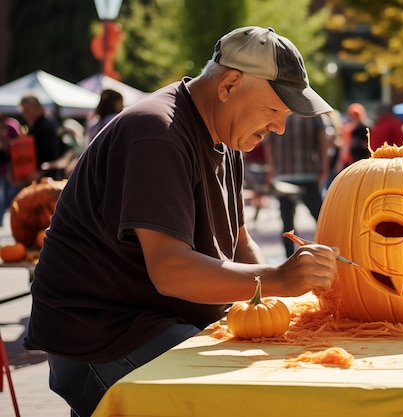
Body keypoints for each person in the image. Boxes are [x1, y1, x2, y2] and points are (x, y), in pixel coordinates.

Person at [23, 26, 338, 417]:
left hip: (156, 321)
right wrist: (281, 279)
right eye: (274, 110)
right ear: (229, 85)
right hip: (103, 335)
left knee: (277, 372)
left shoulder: (226, 133)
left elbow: (238, 240)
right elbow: (170, 270)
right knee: (247, 401)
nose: (279, 127)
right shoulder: (158, 132)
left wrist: (270, 302)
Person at [263, 113, 329, 257]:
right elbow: (323, 139)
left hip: (293, 175)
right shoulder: (312, 112)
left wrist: (271, 169)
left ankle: (292, 259)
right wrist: (324, 166)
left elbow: (268, 141)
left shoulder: (278, 110)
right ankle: (328, 253)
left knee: (294, 222)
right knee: (321, 220)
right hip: (299, 174)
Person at [18, 95, 69, 180]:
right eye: (23, 111)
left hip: (51, 179)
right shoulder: (34, 128)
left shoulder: (48, 127)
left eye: (27, 110)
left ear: (37, 108)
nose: (24, 114)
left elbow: (59, 156)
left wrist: (41, 170)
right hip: (38, 179)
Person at [0, 112, 22, 222]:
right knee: (2, 197)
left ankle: (13, 218)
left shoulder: (11, 126)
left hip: (14, 168)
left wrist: (8, 146)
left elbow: (20, 145)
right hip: (2, 169)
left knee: (12, 196)